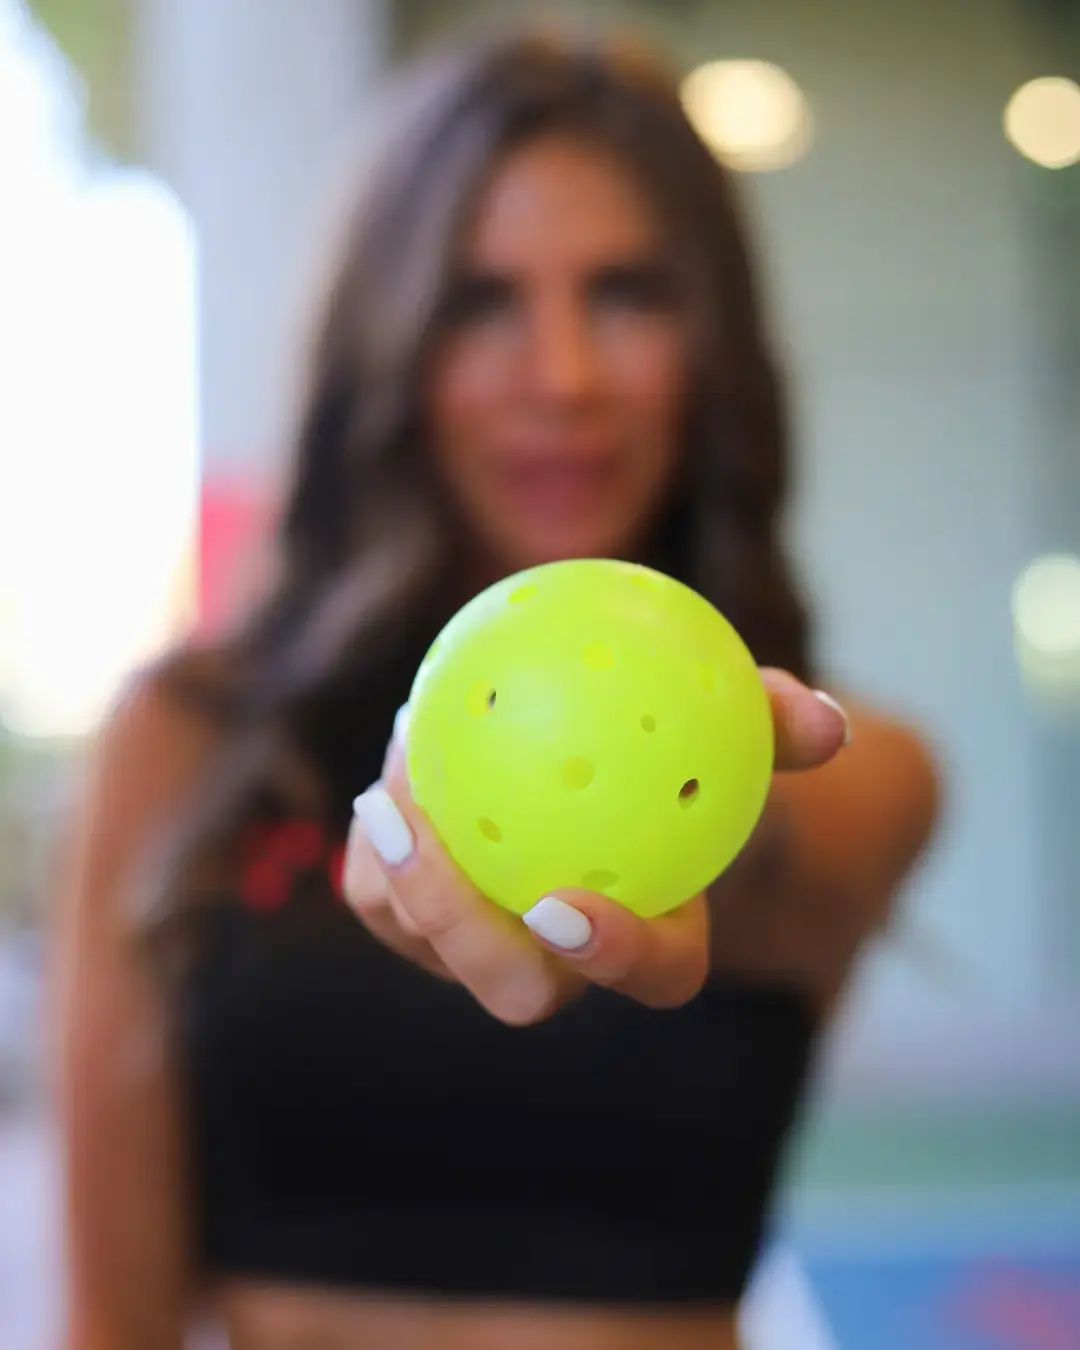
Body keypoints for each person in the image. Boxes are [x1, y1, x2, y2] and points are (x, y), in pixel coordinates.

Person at [53, 23, 940, 1350]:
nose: (564, 377)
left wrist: (697, 806)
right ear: (390, 347)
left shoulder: (831, 762)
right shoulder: (187, 741)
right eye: (483, 301)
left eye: (629, 293)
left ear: (711, 347)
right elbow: (111, 1321)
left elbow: (784, 851)